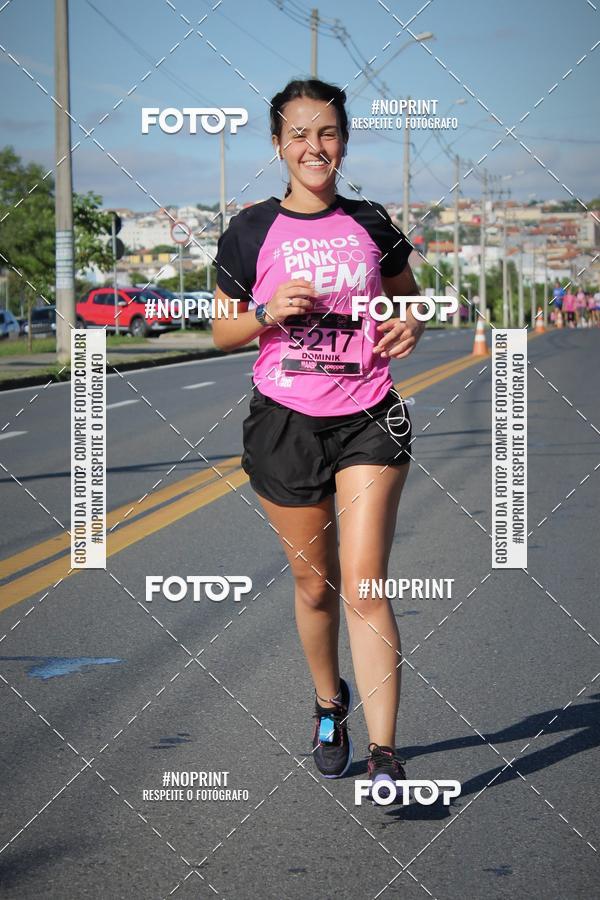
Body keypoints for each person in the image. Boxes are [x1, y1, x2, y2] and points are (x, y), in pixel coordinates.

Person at [212, 78, 425, 798]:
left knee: (365, 582)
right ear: (278, 145)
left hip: (368, 415)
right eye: (298, 133)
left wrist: (411, 323)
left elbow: (408, 295)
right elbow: (219, 329)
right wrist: (267, 312)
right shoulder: (248, 231)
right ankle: (329, 703)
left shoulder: (370, 221)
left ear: (343, 141)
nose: (314, 145)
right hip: (285, 423)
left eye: (327, 132)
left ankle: (386, 754)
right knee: (314, 586)